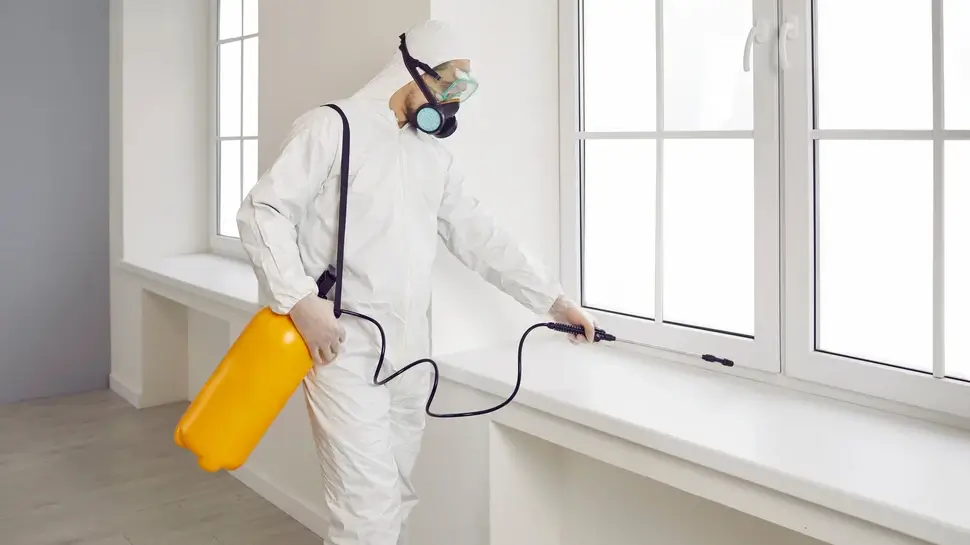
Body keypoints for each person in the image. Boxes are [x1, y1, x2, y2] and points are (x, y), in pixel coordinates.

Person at [236, 19, 594, 545]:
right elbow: (262, 211)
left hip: (410, 353)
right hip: (342, 348)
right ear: (413, 69)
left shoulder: (432, 155)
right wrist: (300, 302)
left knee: (398, 496)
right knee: (366, 512)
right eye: (450, 82)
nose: (454, 99)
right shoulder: (332, 127)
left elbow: (480, 235)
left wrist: (553, 299)